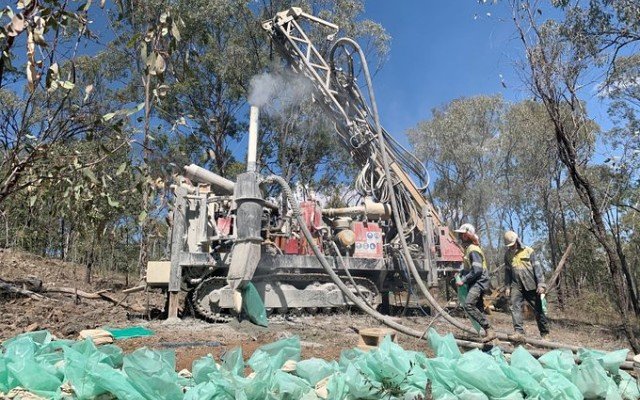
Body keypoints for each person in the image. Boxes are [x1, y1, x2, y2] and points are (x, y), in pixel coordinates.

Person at [503, 230, 550, 341]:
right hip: (516, 285)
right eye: (509, 245)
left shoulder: (529, 251)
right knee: (514, 306)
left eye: (512, 244)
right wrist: (507, 286)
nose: (511, 246)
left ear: (517, 240)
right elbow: (507, 272)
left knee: (538, 309)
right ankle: (519, 332)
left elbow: (537, 268)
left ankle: (545, 333)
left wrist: (541, 285)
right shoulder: (507, 255)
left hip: (531, 284)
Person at [453, 223, 496, 342]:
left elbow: (477, 270)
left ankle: (489, 329)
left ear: (466, 236)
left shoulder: (473, 249)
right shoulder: (469, 249)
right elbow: (470, 268)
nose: (460, 237)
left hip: (479, 281)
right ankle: (491, 338)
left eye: (461, 235)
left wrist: (463, 280)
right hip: (477, 281)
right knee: (479, 308)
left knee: (469, 305)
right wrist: (461, 273)